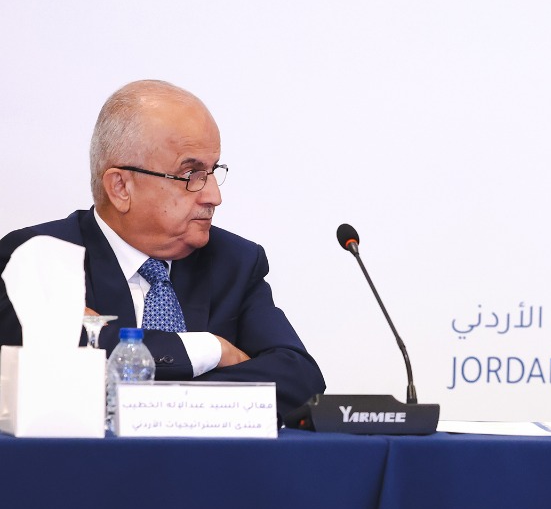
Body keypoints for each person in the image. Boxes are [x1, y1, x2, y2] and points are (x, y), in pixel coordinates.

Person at [0, 80, 325, 421]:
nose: (214, 196)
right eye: (191, 174)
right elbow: (55, 359)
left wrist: (160, 402)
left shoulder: (235, 262)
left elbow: (299, 380)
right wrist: (211, 349)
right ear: (121, 187)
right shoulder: (37, 257)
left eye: (213, 171)